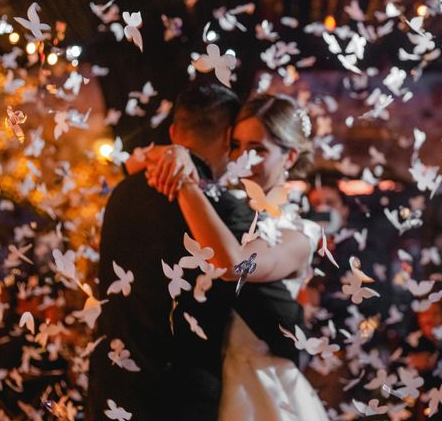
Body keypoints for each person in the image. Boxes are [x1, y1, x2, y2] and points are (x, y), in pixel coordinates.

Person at [87, 82, 268, 420]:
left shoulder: (123, 193)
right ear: (229, 137)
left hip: (114, 387)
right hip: (181, 397)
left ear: (173, 131)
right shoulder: (226, 212)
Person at [146, 93, 329, 420]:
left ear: (290, 157)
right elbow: (134, 160)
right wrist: (176, 155)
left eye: (258, 149)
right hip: (200, 387)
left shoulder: (301, 233)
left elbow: (235, 265)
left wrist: (185, 179)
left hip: (262, 390)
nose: (243, 158)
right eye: (236, 145)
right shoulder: (219, 206)